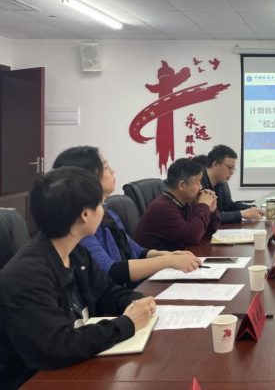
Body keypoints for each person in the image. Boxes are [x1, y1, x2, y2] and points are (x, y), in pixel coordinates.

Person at [0, 168, 156, 390]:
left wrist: (136, 301)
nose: (103, 210)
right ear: (85, 214)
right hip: (39, 380)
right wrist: (126, 323)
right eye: (100, 204)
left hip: (81, 365)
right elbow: (58, 345)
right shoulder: (26, 275)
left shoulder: (75, 252)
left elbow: (107, 292)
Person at [53, 146, 202, 287]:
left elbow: (136, 250)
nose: (113, 171)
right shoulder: (80, 225)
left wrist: (168, 255)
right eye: (106, 167)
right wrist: (168, 261)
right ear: (85, 178)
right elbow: (110, 270)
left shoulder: (109, 214)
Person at [133, 158, 221, 251]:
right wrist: (204, 205)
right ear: (182, 185)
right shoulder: (163, 208)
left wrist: (212, 211)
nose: (201, 187)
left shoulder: (188, 202)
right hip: (155, 259)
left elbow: (209, 231)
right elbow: (192, 237)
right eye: (198, 182)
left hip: (177, 255)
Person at [199, 145, 263, 224]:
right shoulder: (198, 183)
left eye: (233, 168)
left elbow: (228, 206)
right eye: (230, 167)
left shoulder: (220, 182)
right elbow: (208, 217)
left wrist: (251, 208)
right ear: (215, 165)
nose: (232, 172)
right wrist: (241, 214)